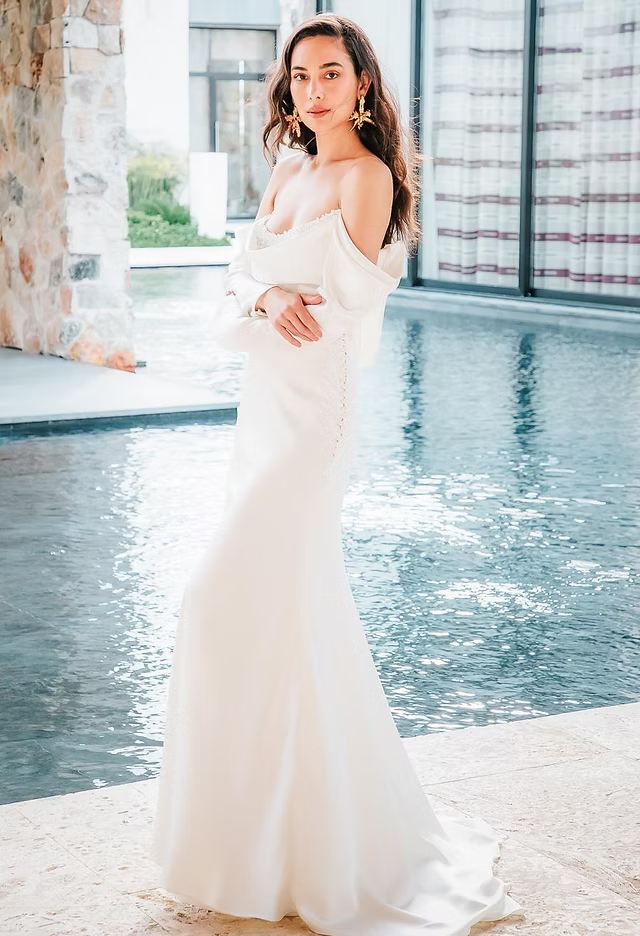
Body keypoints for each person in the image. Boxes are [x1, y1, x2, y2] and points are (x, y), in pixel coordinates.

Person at [152, 13, 523, 936]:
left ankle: (322, 847)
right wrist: (270, 290)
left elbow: (350, 308)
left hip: (311, 422)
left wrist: (271, 290)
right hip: (259, 413)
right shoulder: (286, 171)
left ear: (362, 84)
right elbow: (240, 281)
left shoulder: (365, 179)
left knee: (216, 597)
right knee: (275, 615)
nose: (313, 88)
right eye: (301, 74)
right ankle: (258, 842)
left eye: (331, 72)